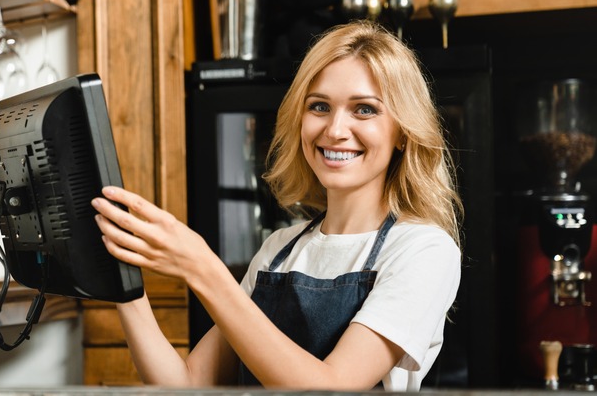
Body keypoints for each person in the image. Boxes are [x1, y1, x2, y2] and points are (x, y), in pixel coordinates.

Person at [91, 20, 463, 392]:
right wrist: (122, 276)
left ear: (402, 133)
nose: (334, 129)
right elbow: (186, 385)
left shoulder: (423, 250)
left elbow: (332, 387)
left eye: (364, 110)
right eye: (319, 106)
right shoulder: (278, 252)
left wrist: (202, 269)